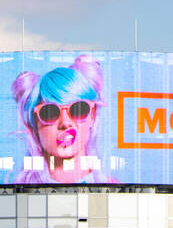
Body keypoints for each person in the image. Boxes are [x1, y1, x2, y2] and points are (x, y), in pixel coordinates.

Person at [11, 55, 115, 185]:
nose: (65, 123)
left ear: (92, 115)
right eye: (49, 113)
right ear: (35, 123)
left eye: (79, 109)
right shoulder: (20, 193)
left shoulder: (113, 189)